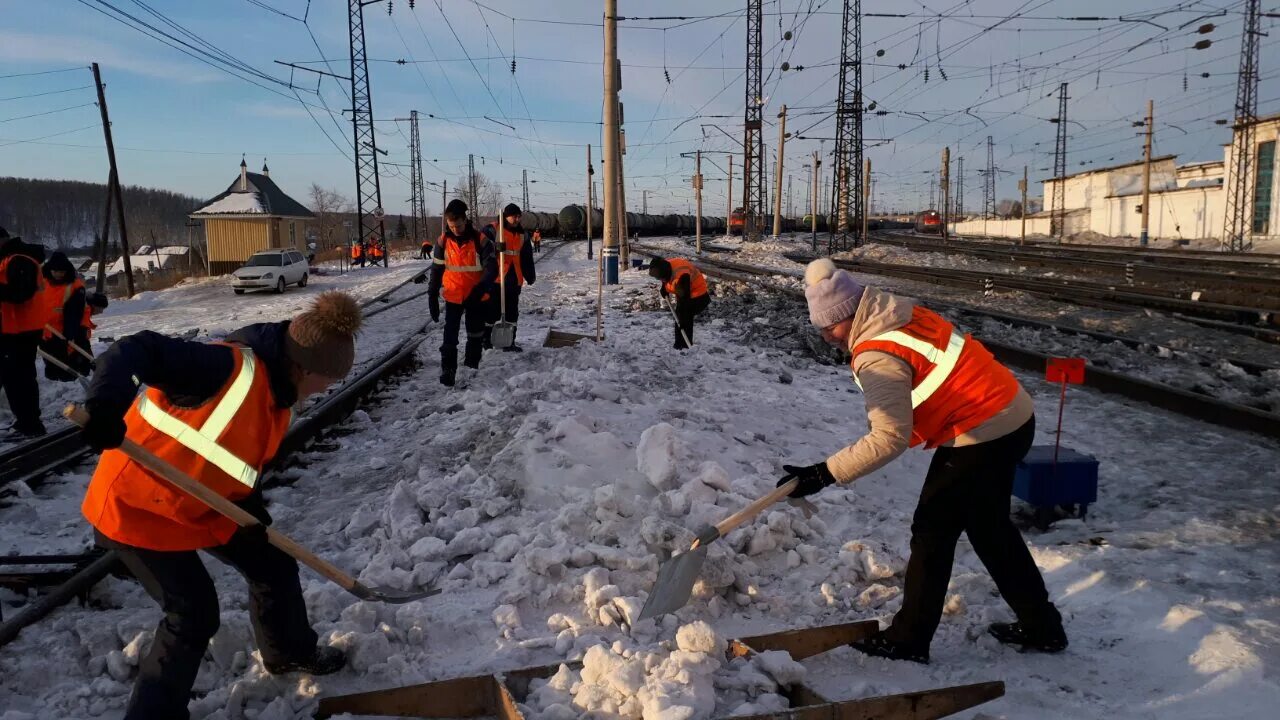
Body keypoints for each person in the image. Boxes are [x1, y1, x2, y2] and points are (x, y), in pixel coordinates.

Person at [77, 291, 361, 719]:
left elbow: (230, 459)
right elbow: (136, 348)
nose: (327, 390)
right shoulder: (222, 367)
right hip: (137, 510)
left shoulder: (276, 393)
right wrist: (103, 405)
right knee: (192, 613)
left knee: (274, 563)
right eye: (328, 381)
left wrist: (253, 515)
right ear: (305, 369)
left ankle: (289, 653)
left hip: (202, 506)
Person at [778, 258, 1066, 664]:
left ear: (848, 314)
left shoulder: (877, 355)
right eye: (821, 328)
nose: (827, 336)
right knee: (989, 529)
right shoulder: (895, 311)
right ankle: (1042, 626)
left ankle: (908, 639)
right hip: (1011, 413)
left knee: (933, 531)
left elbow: (888, 437)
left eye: (830, 327)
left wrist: (824, 473)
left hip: (982, 430)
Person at [428, 199, 496, 386]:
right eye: (451, 226)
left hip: (476, 296)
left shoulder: (481, 241)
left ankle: (471, 365)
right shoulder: (443, 241)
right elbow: (436, 269)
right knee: (450, 336)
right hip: (453, 295)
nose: (455, 229)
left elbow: (492, 270)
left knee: (475, 334)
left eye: (458, 225)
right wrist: (432, 294)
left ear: (465, 220)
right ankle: (448, 370)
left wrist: (480, 289)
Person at [0, 227, 49, 438]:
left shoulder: (19, 260)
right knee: (14, 378)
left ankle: (30, 424)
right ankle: (26, 422)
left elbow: (20, 294)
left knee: (20, 378)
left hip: (21, 331)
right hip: (11, 329)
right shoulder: (8, 260)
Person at [485, 203, 536, 352]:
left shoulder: (523, 234)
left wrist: (530, 275)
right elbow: (481, 248)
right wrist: (494, 248)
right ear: (505, 216)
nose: (517, 219)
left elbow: (527, 257)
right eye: (514, 216)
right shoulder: (492, 230)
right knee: (492, 312)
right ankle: (486, 340)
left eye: (519, 216)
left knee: (512, 312)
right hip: (496, 278)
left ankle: (509, 342)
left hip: (514, 278)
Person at [38, 251, 88, 382]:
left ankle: (69, 382)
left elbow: (75, 313)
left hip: (62, 332)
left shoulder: (74, 286)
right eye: (56, 271)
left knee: (65, 361)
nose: (59, 274)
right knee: (50, 361)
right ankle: (53, 381)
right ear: (50, 270)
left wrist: (69, 333)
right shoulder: (42, 282)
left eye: (62, 272)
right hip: (44, 331)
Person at [647, 256, 710, 350]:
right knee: (680, 315)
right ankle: (678, 344)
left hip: (698, 295)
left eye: (661, 278)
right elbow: (667, 280)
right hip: (685, 292)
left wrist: (682, 319)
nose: (661, 280)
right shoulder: (665, 265)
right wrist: (664, 288)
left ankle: (686, 346)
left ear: (665, 273)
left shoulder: (681, 275)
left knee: (685, 317)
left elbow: (685, 298)